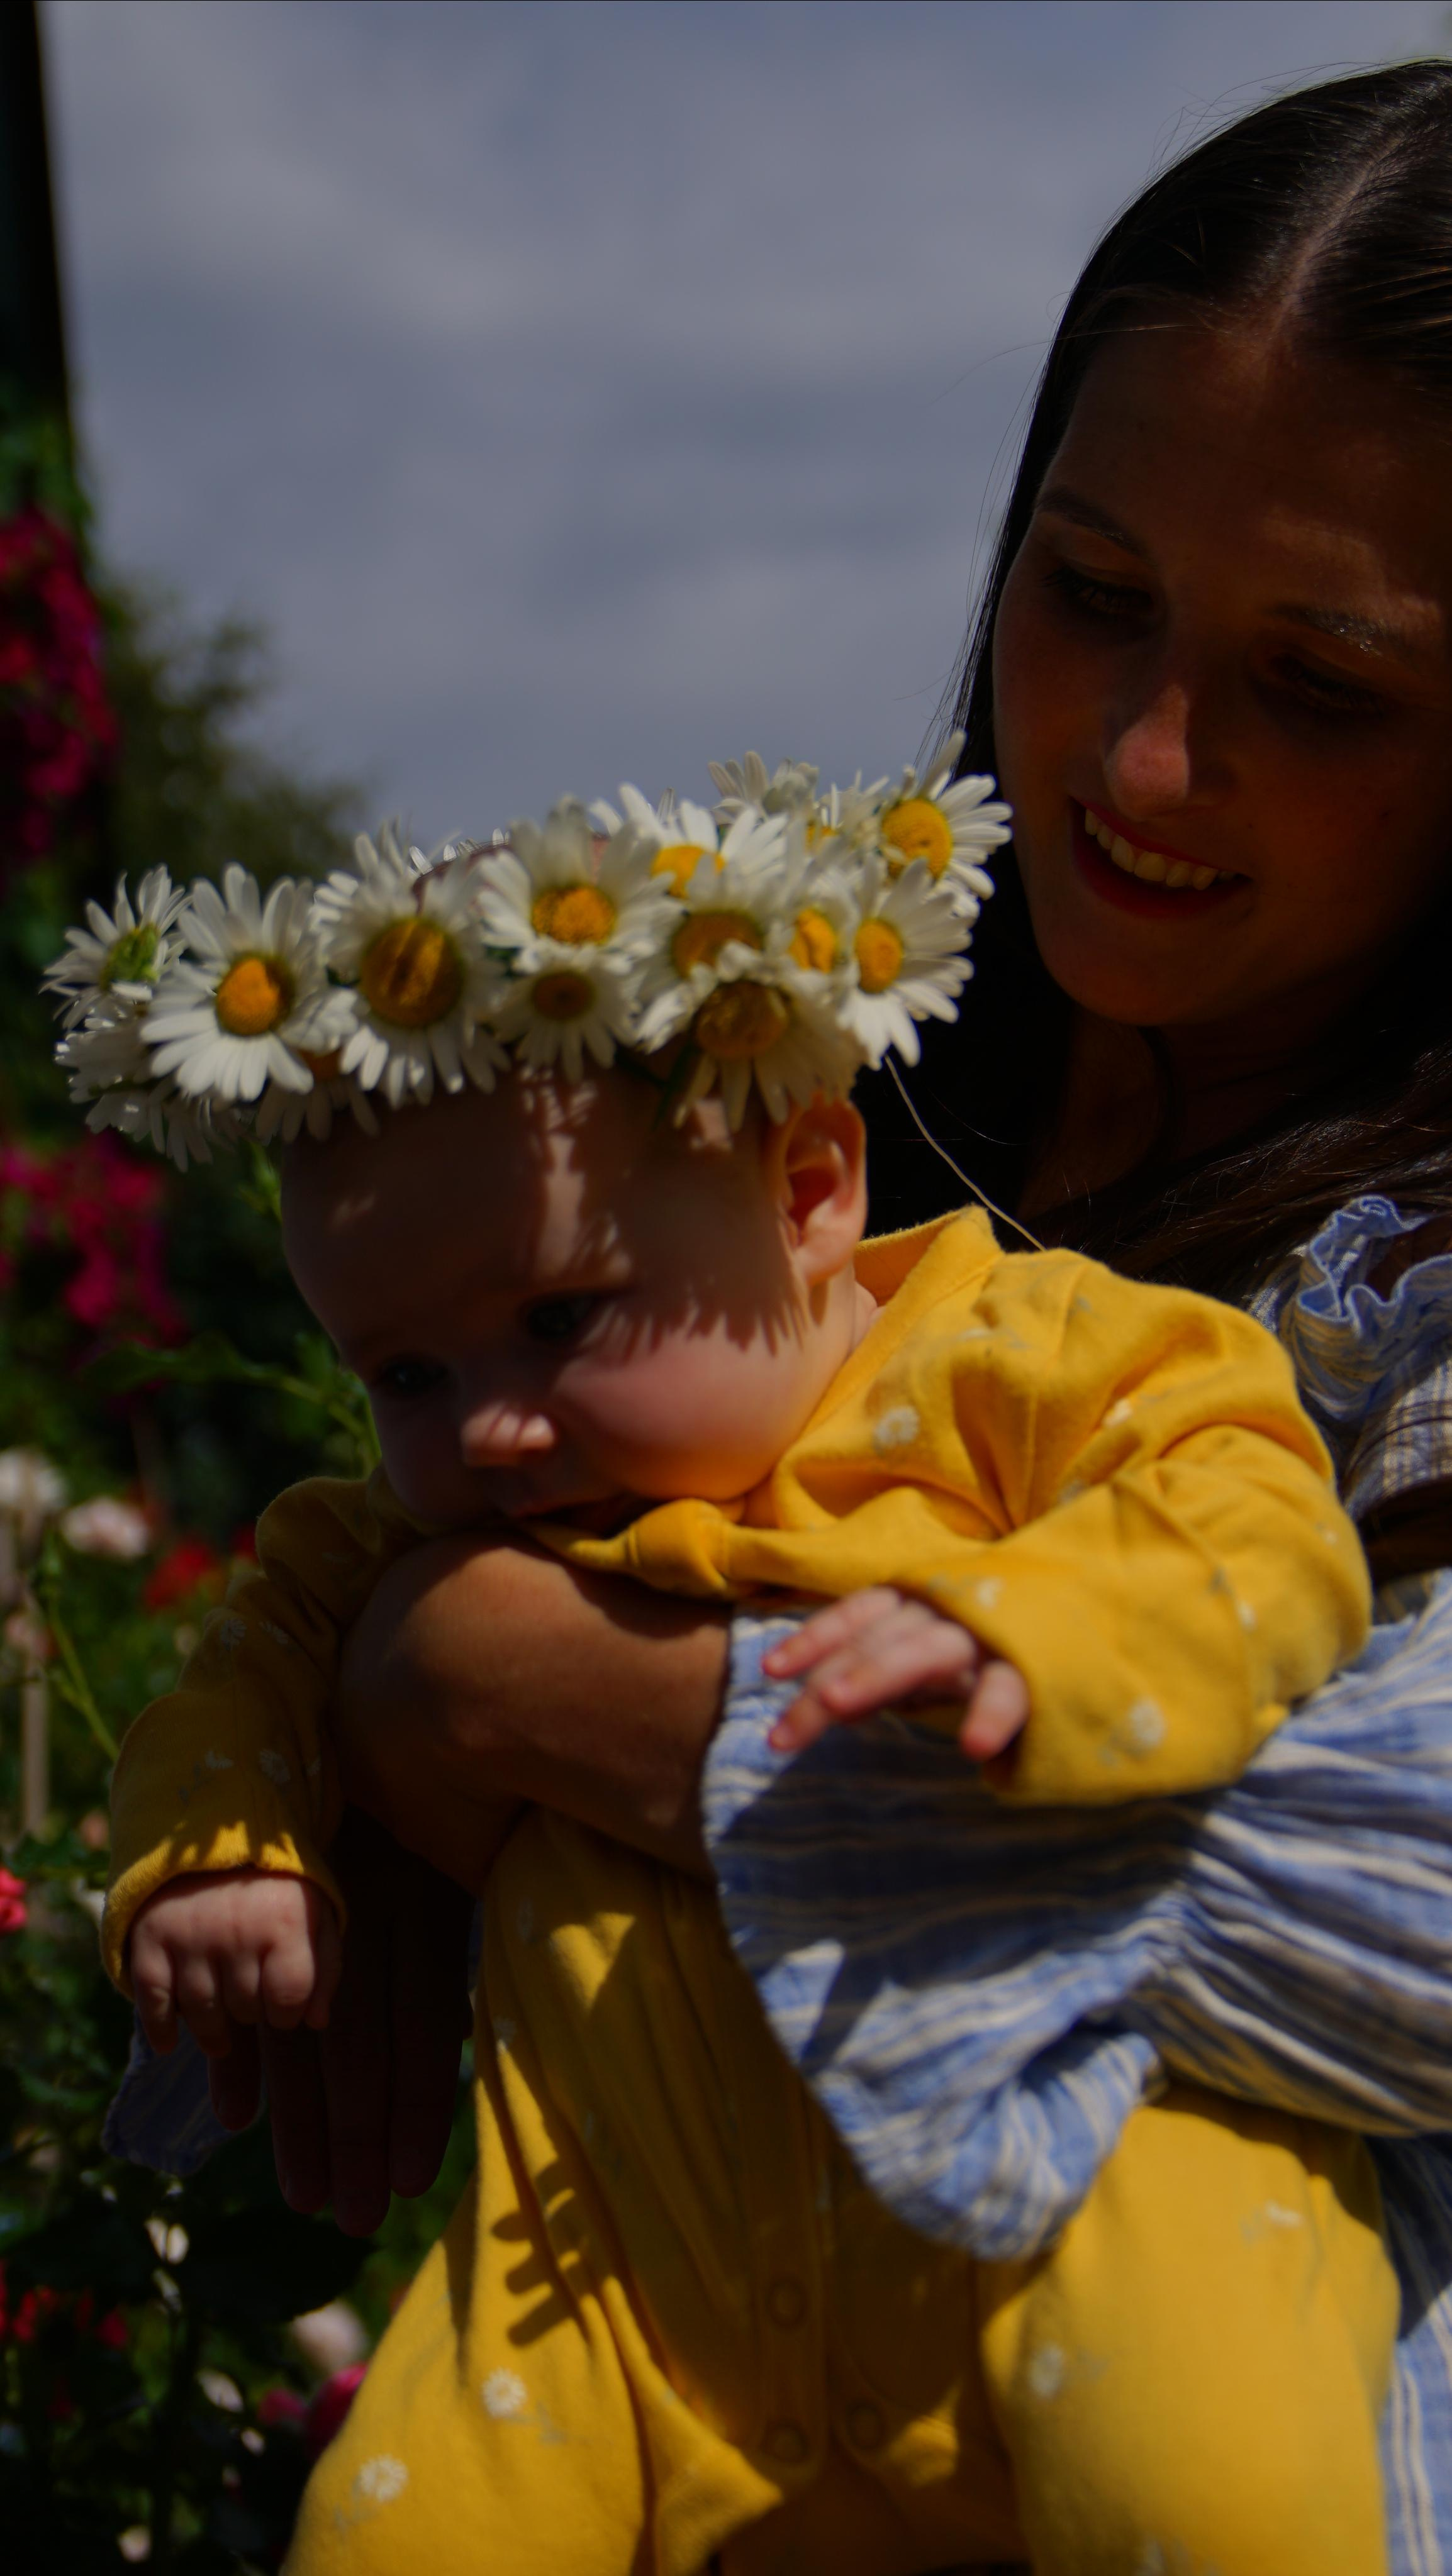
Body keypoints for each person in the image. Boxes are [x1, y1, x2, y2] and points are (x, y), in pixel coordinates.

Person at [215, 53, 1452, 2576]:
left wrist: (531, 1692)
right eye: (1085, 587)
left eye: (1318, 684)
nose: (1139, 756)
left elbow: (1405, 1925)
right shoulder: (773, 1098)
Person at [68, 748, 1380, 2562]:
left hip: (1069, 2180)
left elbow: (1256, 1517)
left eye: (558, 1319)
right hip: (611, 2280)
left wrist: (1032, 1621)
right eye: (407, 1379)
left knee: (1214, 2479)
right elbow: (246, 1664)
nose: (496, 1431)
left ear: (813, 1184)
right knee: (390, 2532)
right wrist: (224, 1854)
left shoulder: (1023, 1358)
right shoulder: (408, 1551)